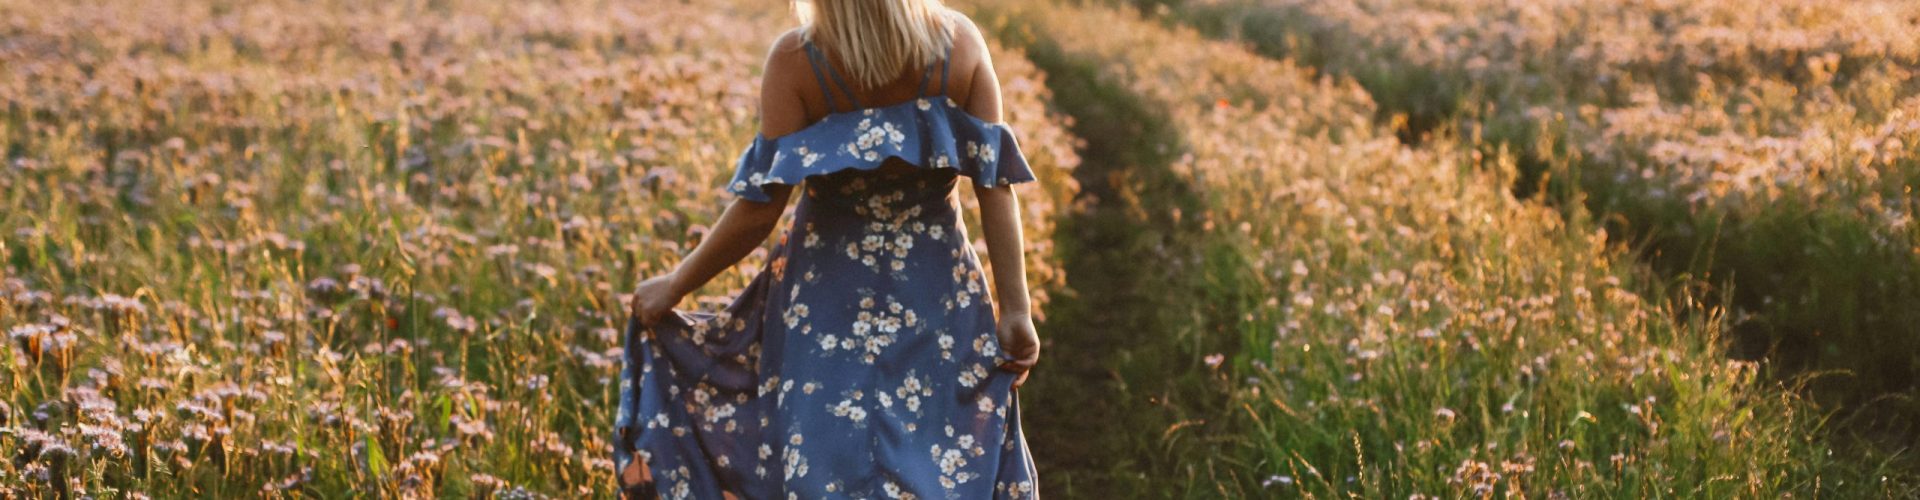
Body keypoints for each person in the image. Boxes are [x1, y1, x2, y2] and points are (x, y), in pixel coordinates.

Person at [618, 0, 1042, 497]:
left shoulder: (797, 61)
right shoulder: (959, 44)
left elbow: (759, 210)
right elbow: (995, 189)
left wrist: (675, 284)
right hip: (938, 296)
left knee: (824, 468)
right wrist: (1016, 310)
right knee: (940, 465)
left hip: (824, 309)